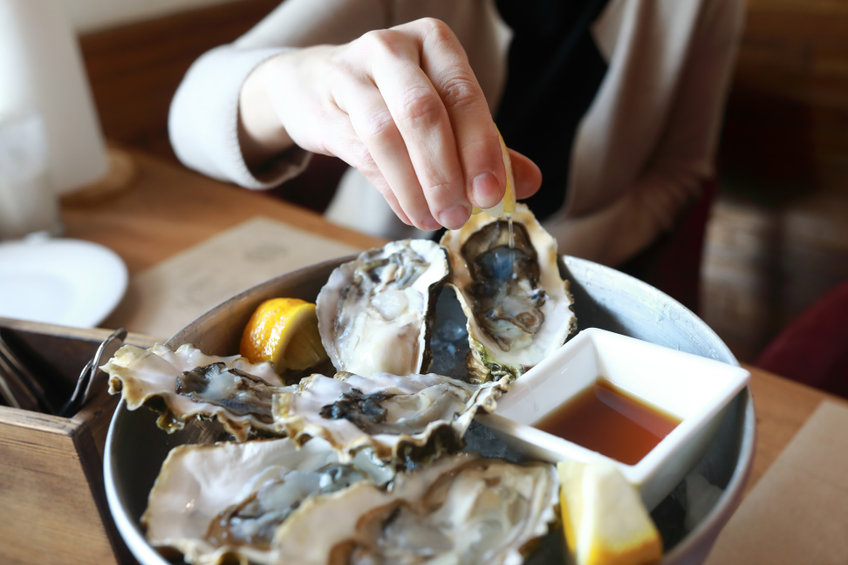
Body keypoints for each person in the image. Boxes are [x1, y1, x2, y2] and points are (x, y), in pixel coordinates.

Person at [169, 0, 744, 270]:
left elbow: (680, 172)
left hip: (578, 280)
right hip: (364, 275)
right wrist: (294, 81)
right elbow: (191, 114)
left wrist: (544, 260)